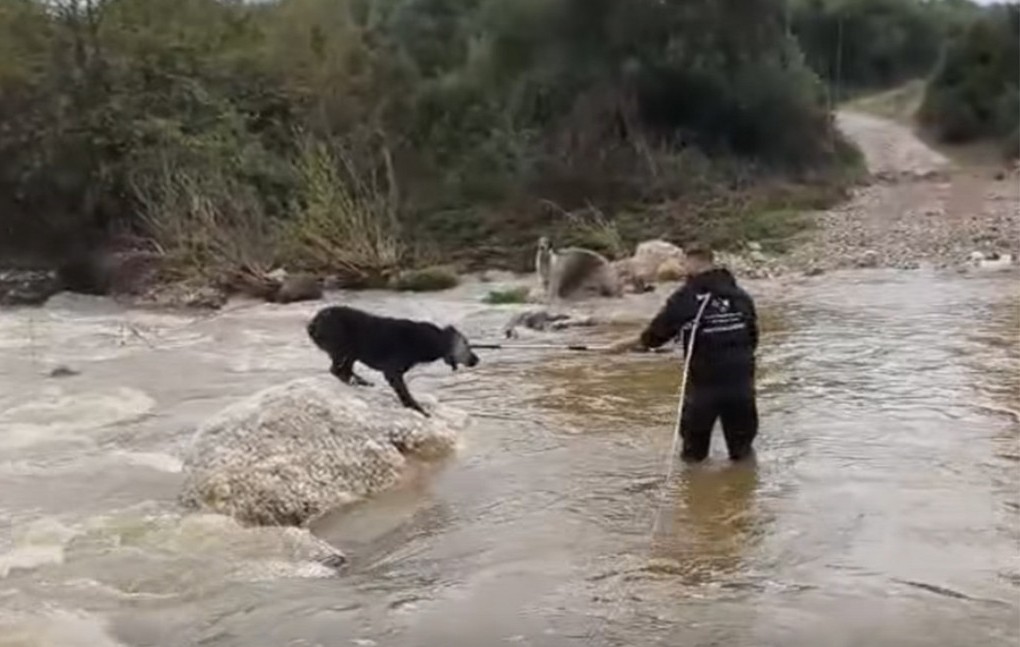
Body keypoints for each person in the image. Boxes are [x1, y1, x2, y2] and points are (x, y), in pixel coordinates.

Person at [608, 244, 759, 462]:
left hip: (705, 386)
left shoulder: (685, 298)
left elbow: (655, 336)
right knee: (743, 453)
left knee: (693, 455)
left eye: (683, 262)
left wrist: (619, 346)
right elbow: (752, 336)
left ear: (690, 262)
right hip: (741, 384)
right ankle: (744, 491)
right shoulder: (740, 296)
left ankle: (694, 492)